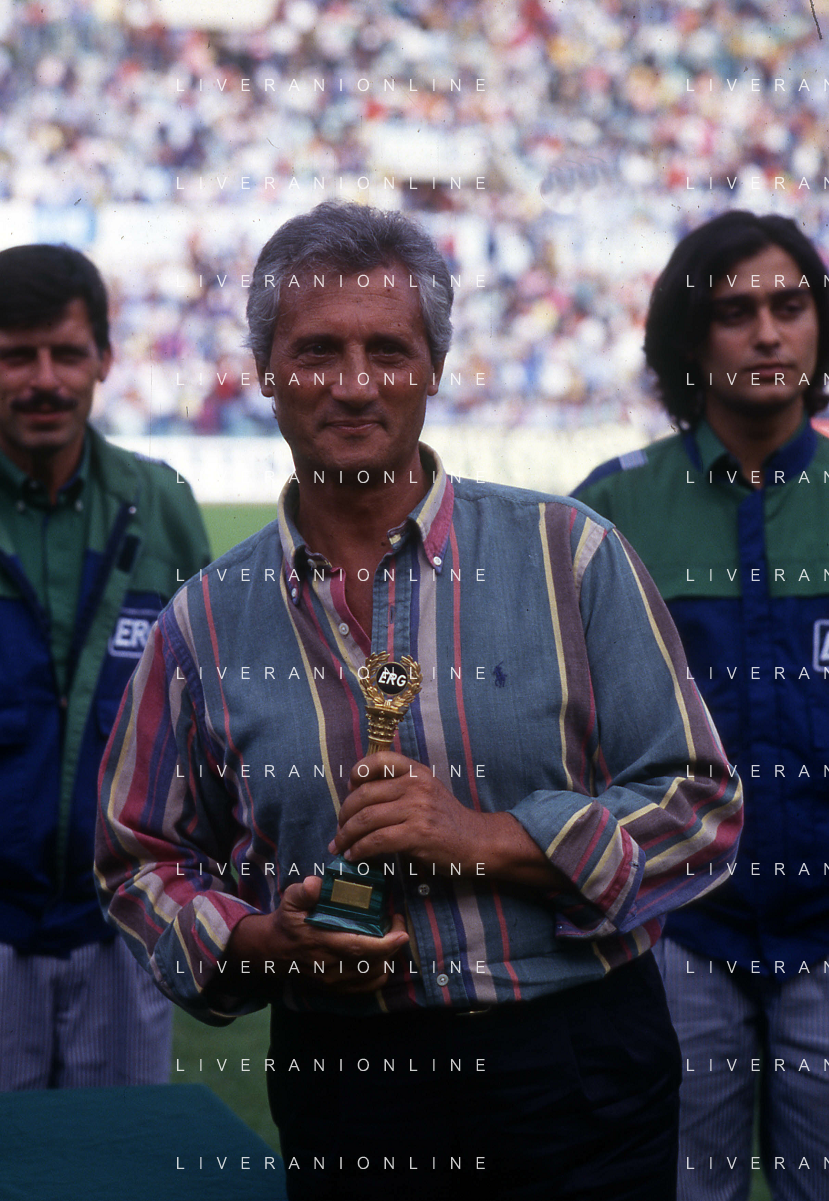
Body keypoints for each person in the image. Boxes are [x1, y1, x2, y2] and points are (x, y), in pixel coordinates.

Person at [97, 201, 742, 1201]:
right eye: (317, 350)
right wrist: (268, 944)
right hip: (346, 1080)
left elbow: (698, 803)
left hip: (578, 1065)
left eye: (388, 350)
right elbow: (139, 858)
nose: (354, 383)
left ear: (434, 367)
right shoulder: (205, 621)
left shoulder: (570, 556)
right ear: (264, 370)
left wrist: (491, 839)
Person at [575, 210, 829, 1201]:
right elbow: (566, 731)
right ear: (688, 340)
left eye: (789, 306)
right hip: (674, 933)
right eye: (733, 312)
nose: (766, 333)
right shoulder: (611, 510)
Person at [0, 243, 210, 1091]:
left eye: (67, 353)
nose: (44, 379)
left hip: (123, 925)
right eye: (17, 354)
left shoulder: (164, 505)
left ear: (105, 359)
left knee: (114, 1156)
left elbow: (206, 714)